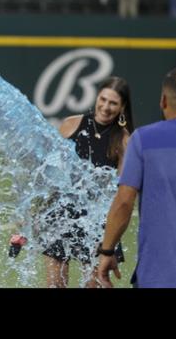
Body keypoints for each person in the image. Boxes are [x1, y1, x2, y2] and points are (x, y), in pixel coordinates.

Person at [97, 68, 176, 288]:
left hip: (155, 276)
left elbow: (124, 202)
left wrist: (107, 250)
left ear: (163, 101)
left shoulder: (143, 139)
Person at [27, 77, 135, 288]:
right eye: (102, 99)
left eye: (113, 103)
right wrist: (34, 212)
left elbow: (120, 191)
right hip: (61, 214)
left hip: (98, 220)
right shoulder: (71, 124)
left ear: (122, 107)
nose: (105, 107)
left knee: (93, 285)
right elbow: (48, 173)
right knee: (54, 285)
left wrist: (109, 237)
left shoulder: (124, 140)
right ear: (97, 97)